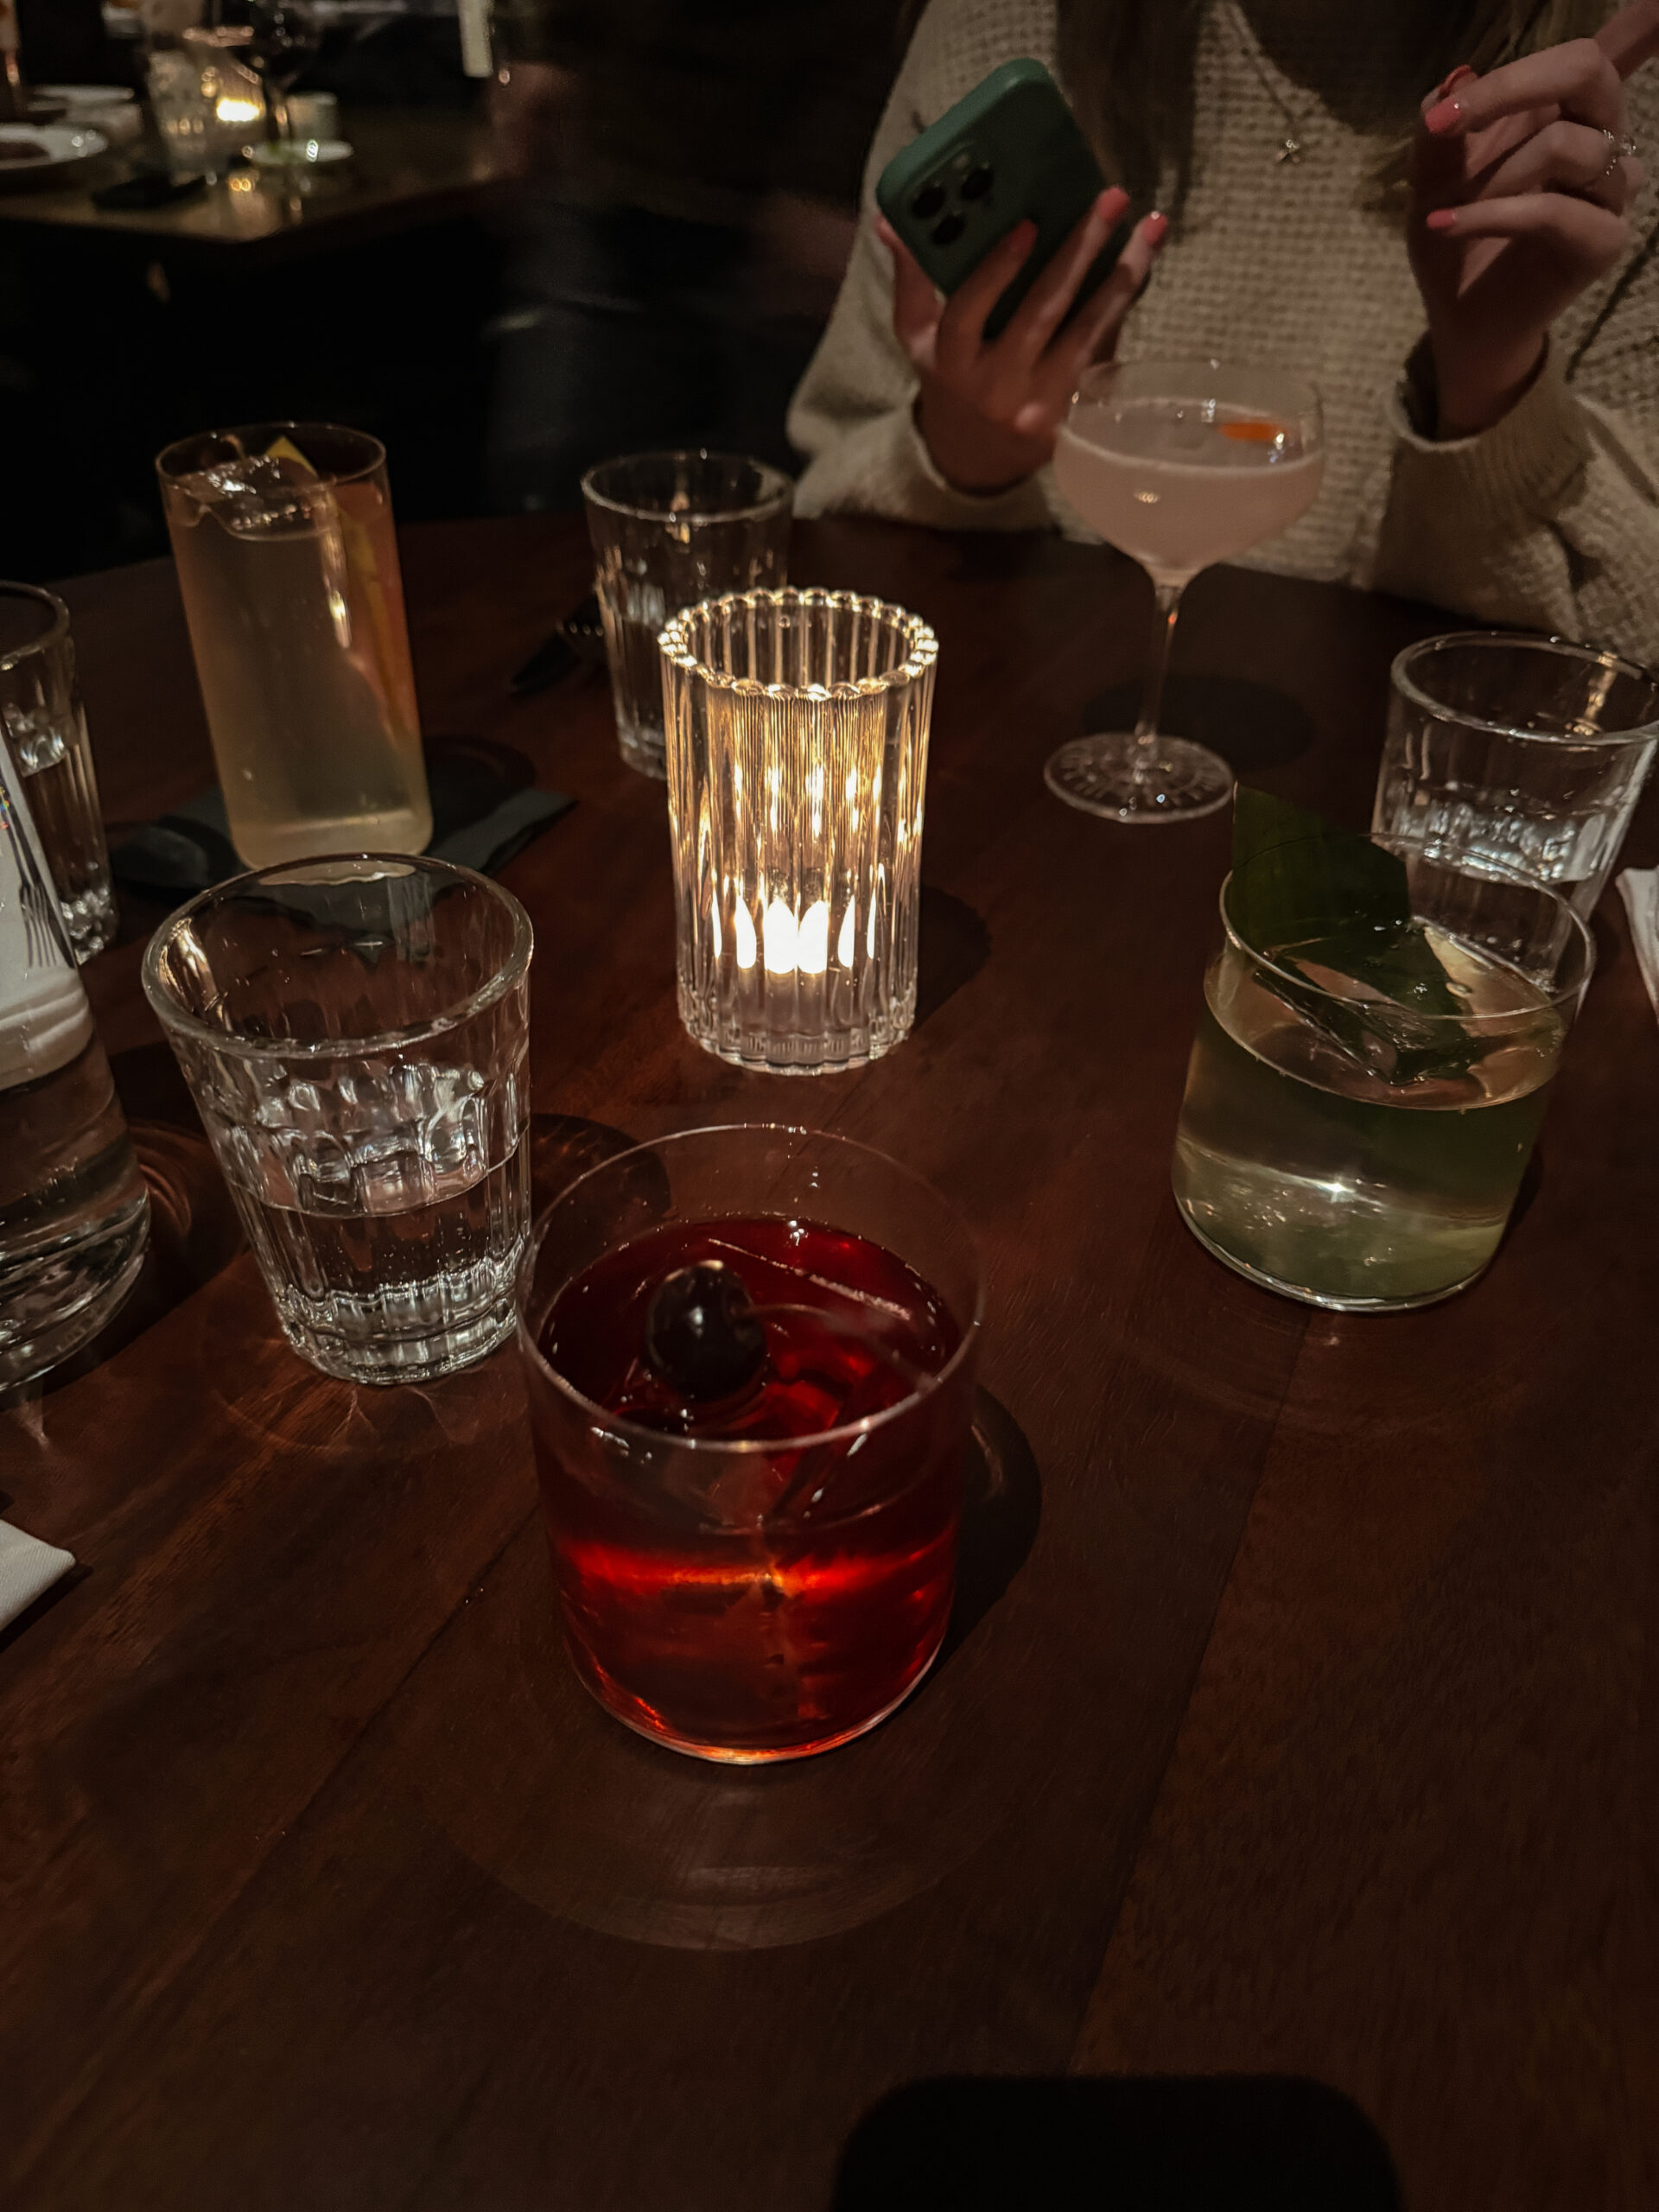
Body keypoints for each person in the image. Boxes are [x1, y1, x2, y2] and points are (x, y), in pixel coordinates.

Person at [788, 0, 1659, 663]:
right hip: (1021, 769)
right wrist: (964, 457)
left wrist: (1490, 381)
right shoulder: (1009, 21)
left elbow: (1634, 638)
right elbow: (829, 507)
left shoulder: (1611, 87)